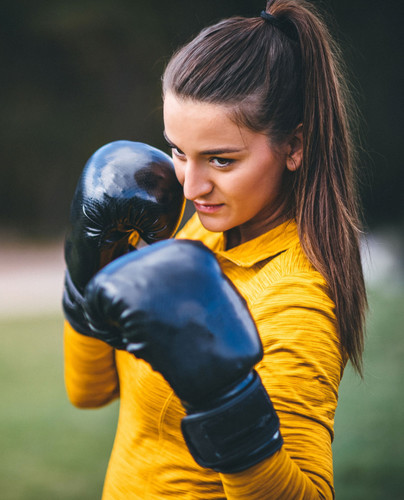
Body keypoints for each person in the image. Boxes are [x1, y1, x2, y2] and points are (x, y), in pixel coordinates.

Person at [62, 0, 368, 498]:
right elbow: (89, 391)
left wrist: (229, 405)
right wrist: (85, 268)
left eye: (221, 160)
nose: (190, 187)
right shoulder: (203, 234)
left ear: (295, 146)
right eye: (178, 152)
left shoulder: (295, 305)